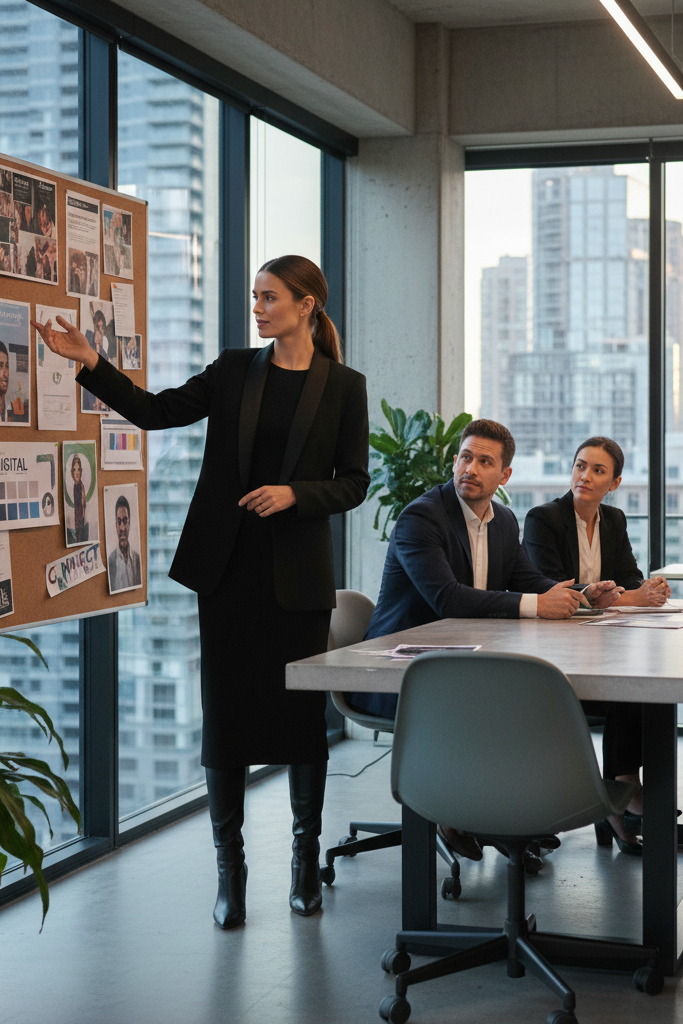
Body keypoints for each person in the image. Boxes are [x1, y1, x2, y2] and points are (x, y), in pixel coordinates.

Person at [31, 254, 370, 928]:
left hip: (297, 582)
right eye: (255, 297)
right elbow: (155, 413)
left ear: (306, 305)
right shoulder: (232, 369)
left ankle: (305, 863)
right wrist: (90, 361)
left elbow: (354, 481)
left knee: (301, 724)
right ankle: (230, 873)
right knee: (227, 719)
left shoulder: (343, 386)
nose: (258, 307)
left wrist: (295, 494)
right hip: (227, 574)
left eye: (270, 297)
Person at [348, 419, 611, 861]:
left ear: (504, 475)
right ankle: (468, 814)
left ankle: (507, 818)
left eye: (484, 461)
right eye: (465, 457)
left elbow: (531, 581)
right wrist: (535, 605)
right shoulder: (421, 517)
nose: (470, 468)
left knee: (526, 695)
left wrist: (583, 595)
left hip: (463, 663)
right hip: (401, 675)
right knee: (507, 699)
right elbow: (447, 598)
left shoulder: (503, 521)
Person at [524, 436, 671, 854]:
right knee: (627, 685)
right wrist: (625, 597)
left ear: (616, 482)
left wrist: (648, 590)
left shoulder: (615, 519)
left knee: (640, 682)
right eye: (580, 466)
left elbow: (629, 574)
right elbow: (551, 586)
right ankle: (624, 797)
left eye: (598, 470)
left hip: (598, 641)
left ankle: (623, 788)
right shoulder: (543, 518)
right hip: (550, 650)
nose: (585, 476)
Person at [107, 494, 141, 591]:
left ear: (129, 524)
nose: (122, 528)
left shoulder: (137, 560)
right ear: (116, 525)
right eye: (119, 522)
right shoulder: (111, 561)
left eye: (125, 521)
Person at [70, 455, 88, 544]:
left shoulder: (81, 485)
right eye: (74, 469)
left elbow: (83, 502)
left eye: (78, 469)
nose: (76, 473)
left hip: (80, 519)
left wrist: (82, 515)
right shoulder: (73, 486)